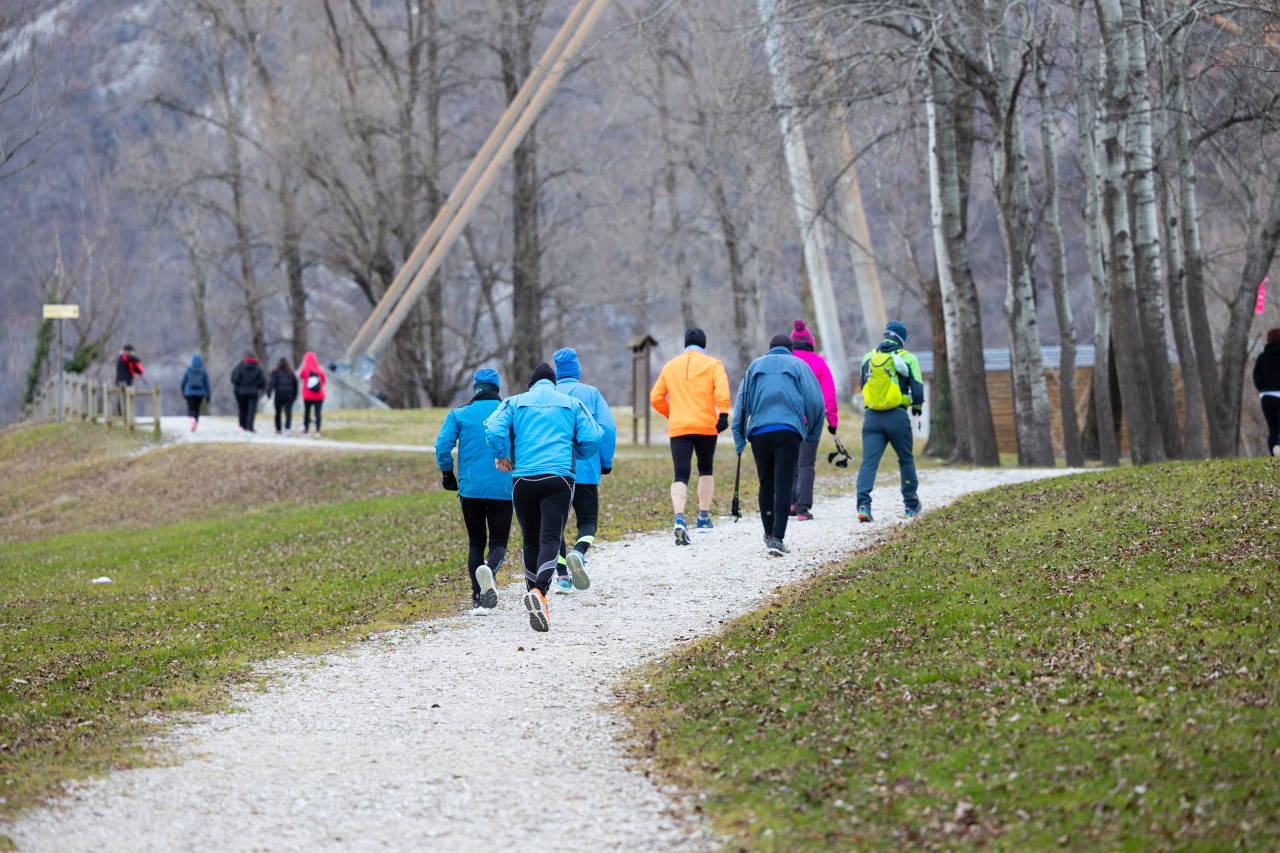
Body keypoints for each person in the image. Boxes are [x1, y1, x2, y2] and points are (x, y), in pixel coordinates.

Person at [485, 363, 603, 633]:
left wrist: (501, 455)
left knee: (530, 540)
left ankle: (536, 597)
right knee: (550, 537)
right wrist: (579, 454)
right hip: (559, 478)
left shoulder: (515, 402)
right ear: (553, 384)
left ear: (531, 386)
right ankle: (539, 592)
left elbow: (492, 429)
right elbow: (595, 435)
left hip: (523, 479)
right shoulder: (571, 403)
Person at [732, 334, 825, 556]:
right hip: (788, 431)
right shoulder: (799, 365)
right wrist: (812, 433)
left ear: (770, 348)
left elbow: (742, 402)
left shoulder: (755, 366)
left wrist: (739, 437)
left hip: (759, 433)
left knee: (765, 483)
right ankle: (778, 539)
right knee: (783, 483)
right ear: (790, 349)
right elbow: (815, 401)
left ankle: (768, 534)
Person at [436, 368, 513, 614]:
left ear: (476, 388)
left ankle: (477, 599)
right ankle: (489, 571)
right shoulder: (510, 412)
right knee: (499, 542)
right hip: (503, 487)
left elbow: (442, 446)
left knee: (476, 543)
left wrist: (448, 475)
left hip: (470, 490)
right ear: (497, 388)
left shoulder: (459, 414)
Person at [649, 328, 732, 546]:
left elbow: (656, 397)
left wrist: (672, 413)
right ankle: (703, 518)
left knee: (680, 474)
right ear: (704, 346)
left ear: (685, 345)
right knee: (705, 468)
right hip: (706, 426)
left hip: (679, 427)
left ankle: (679, 519)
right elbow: (722, 390)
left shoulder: (670, 366)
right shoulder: (713, 364)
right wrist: (723, 414)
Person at [551, 347, 617, 595]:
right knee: (588, 521)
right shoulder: (591, 393)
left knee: (554, 526)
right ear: (577, 369)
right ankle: (578, 553)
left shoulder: (549, 394)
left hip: (554, 469)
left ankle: (562, 577)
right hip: (586, 468)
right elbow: (607, 429)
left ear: (557, 372)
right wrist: (605, 461)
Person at [855, 321, 925, 522]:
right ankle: (910, 505)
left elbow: (862, 385)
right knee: (905, 459)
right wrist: (917, 408)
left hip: (872, 418)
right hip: (897, 416)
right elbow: (918, 389)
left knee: (869, 462)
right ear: (902, 339)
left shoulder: (868, 357)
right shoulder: (908, 358)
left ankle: (863, 506)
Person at [788, 319, 839, 521]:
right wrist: (832, 422)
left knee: (790, 461)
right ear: (811, 342)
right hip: (810, 421)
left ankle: (790, 503)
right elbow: (829, 394)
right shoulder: (819, 363)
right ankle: (802, 509)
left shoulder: (787, 361)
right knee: (806, 464)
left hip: (788, 420)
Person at [1255, 327, 1280, 457]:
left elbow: (1256, 377)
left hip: (1266, 396)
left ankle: (1274, 456)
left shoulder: (1262, 357)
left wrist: (1263, 389)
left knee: (1273, 430)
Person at [230, 352, 266, 433]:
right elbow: (263, 381)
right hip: (253, 392)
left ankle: (242, 426)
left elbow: (235, 379)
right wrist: (257, 386)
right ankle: (250, 426)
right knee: (251, 410)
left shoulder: (241, 368)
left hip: (242, 392)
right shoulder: (258, 369)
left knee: (242, 409)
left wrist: (240, 386)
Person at [267, 358, 299, 436]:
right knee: (288, 413)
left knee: (278, 412)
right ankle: (288, 429)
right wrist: (295, 396)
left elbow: (272, 383)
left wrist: (269, 393)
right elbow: (295, 385)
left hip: (279, 395)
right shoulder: (291, 373)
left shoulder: (275, 373)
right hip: (289, 395)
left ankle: (278, 430)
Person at [180, 353, 210, 432]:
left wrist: (183, 392)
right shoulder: (203, 372)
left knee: (191, 409)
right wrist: (208, 396)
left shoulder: (188, 370)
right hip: (200, 394)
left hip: (189, 393)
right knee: (197, 410)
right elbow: (206, 385)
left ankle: (192, 420)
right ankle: (195, 423)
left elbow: (183, 383)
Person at [299, 352, 326, 438]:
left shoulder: (304, 369)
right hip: (319, 395)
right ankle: (318, 430)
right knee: (318, 413)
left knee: (307, 412)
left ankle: (306, 430)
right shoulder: (320, 369)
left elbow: (301, 376)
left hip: (307, 395)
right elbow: (323, 381)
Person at [115, 344, 144, 415]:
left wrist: (138, 371)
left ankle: (127, 414)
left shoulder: (128, 360)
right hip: (122, 382)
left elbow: (137, 369)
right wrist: (135, 358)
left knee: (127, 397)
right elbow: (133, 358)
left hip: (128, 381)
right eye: (131, 352)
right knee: (122, 397)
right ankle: (122, 414)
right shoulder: (123, 357)